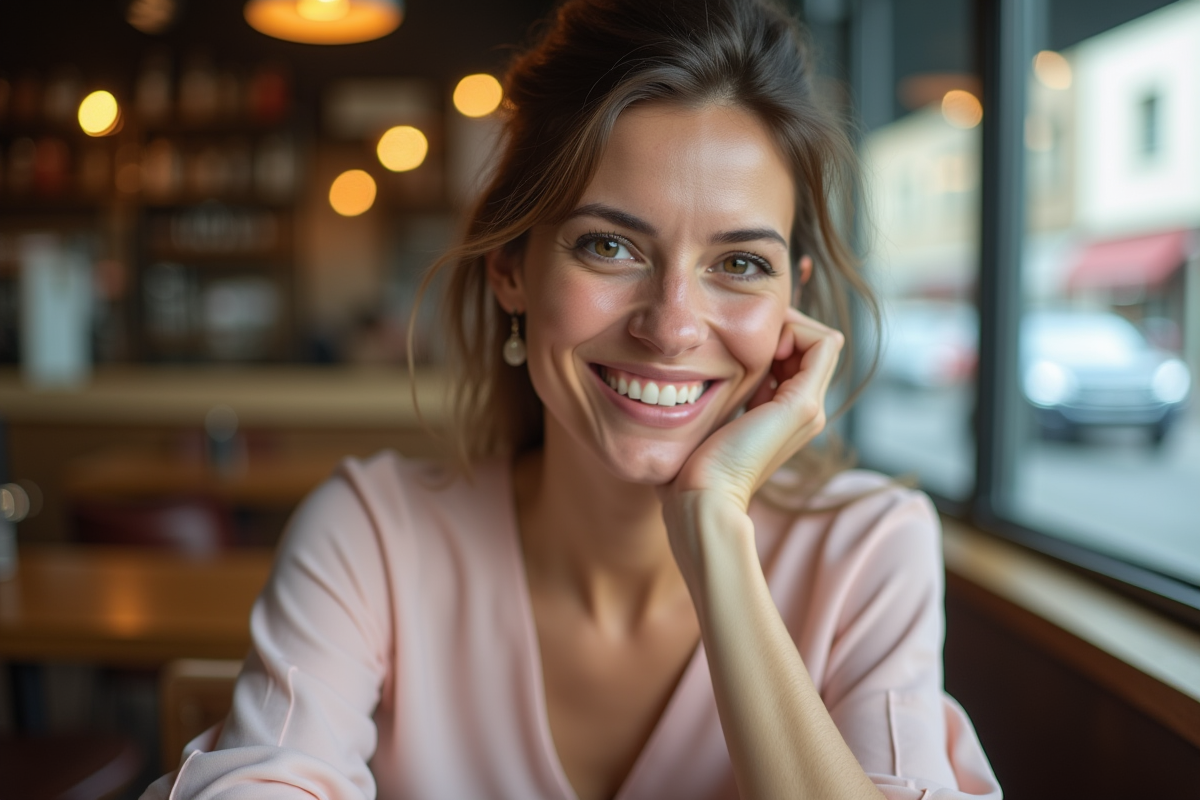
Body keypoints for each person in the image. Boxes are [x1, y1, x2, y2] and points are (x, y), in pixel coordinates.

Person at [144, 0, 1002, 797]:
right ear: (513, 269)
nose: (672, 326)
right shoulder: (374, 533)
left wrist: (712, 530)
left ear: (793, 303)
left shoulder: (868, 546)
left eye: (739, 264)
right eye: (608, 246)